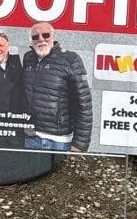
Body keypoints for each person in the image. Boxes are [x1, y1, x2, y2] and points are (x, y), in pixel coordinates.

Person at [20, 22, 93, 153]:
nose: (41, 39)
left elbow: (84, 103)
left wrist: (80, 144)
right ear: (31, 41)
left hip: (58, 142)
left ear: (53, 36)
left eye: (46, 35)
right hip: (30, 138)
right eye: (36, 37)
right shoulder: (28, 58)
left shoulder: (71, 60)